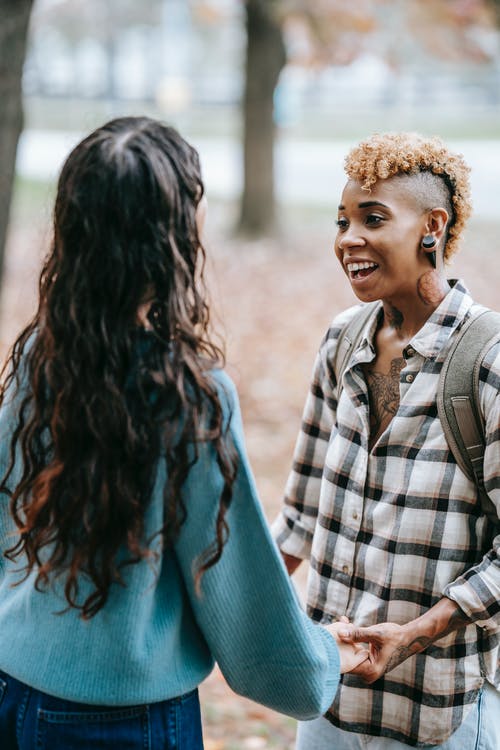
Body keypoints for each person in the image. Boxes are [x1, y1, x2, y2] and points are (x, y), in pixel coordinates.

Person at [0, 117, 367, 749]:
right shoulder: (190, 395)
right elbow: (233, 576)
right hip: (125, 724)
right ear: (169, 241)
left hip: (12, 691)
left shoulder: (41, 353)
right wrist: (323, 659)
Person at [272, 132, 500, 748]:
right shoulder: (342, 339)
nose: (348, 239)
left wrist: (416, 633)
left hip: (440, 710)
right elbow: (300, 513)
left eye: (373, 219)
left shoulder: (487, 362)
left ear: (433, 226)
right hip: (327, 700)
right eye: (342, 220)